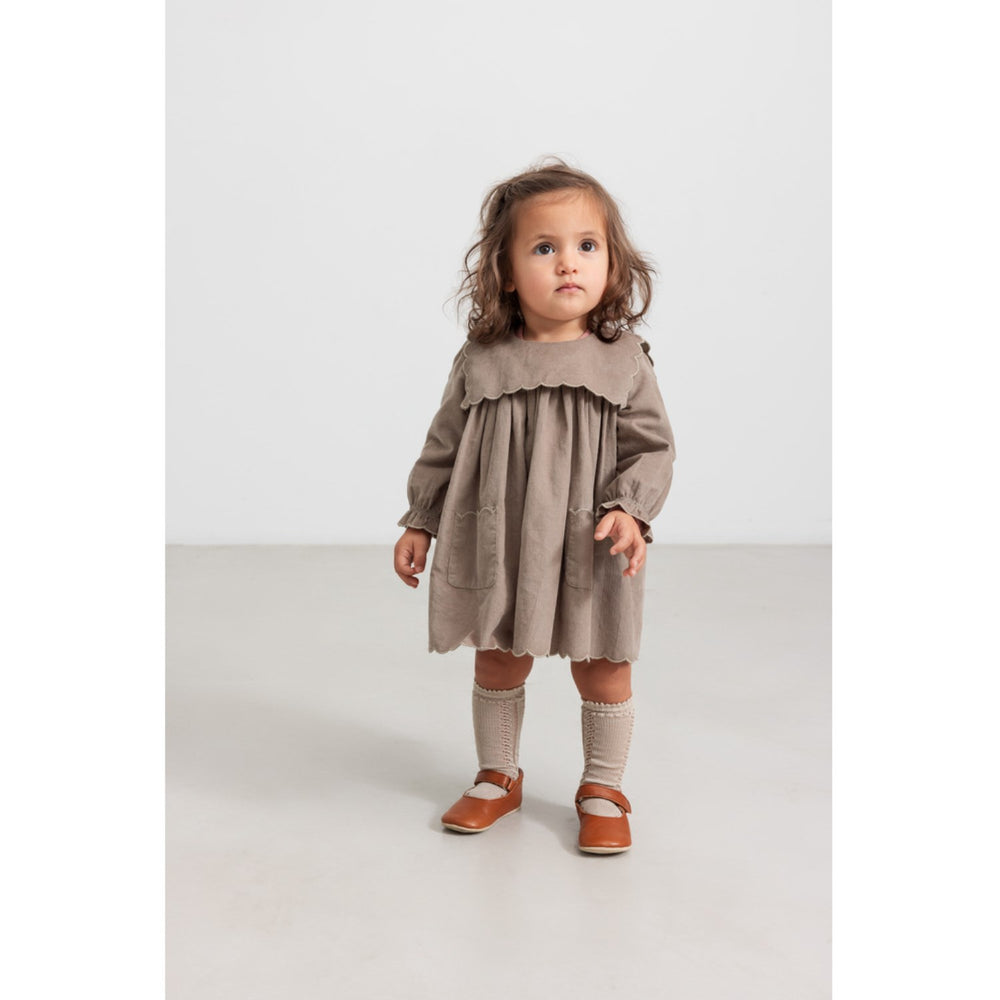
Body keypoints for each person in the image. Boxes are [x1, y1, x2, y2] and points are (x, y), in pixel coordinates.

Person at [392, 158, 676, 854]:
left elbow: (652, 446)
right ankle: (498, 776)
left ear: (613, 263)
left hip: (587, 540)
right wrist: (421, 519)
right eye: (544, 247)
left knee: (603, 662)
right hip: (501, 537)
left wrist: (631, 511)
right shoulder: (483, 357)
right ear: (507, 271)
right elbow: (443, 443)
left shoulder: (621, 358)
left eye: (587, 245)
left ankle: (603, 787)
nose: (568, 263)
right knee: (497, 658)